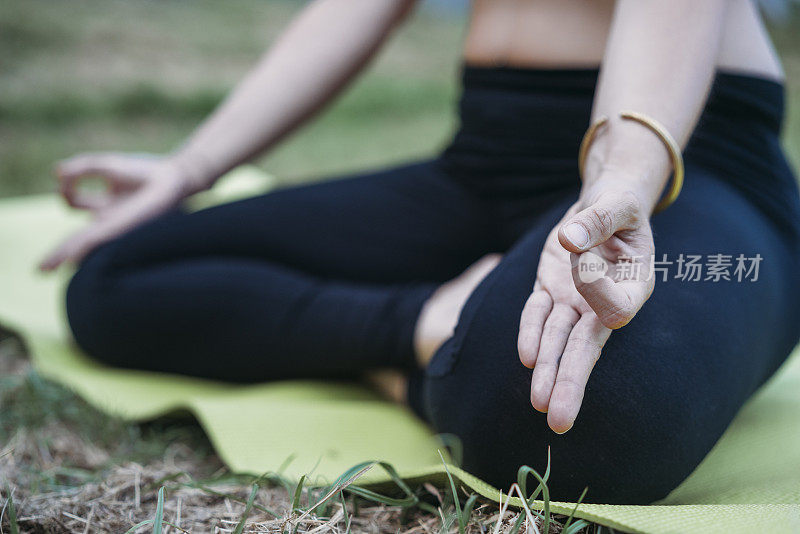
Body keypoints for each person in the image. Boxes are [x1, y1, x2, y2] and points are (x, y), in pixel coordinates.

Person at [44, 0, 800, 504]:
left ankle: (449, 332)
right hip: (489, 154)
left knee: (583, 424)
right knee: (118, 278)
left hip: (682, 158)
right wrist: (190, 167)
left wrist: (621, 184)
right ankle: (429, 324)